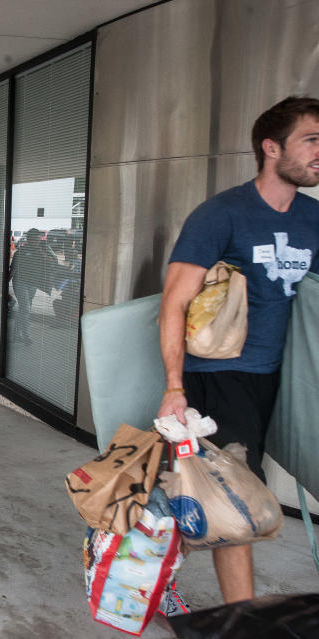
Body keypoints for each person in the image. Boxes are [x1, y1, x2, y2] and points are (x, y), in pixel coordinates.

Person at [157, 96, 319, 605]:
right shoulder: (221, 214)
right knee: (236, 500)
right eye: (312, 141)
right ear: (271, 148)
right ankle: (241, 619)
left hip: (285, 377)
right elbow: (174, 305)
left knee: (210, 492)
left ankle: (150, 562)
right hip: (221, 376)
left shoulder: (313, 218)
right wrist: (175, 388)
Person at [10, 228, 55, 345]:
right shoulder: (20, 252)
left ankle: (16, 335)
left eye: (37, 239)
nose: (34, 241)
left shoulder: (42, 251)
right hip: (20, 282)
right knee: (25, 308)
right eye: (32, 239)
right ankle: (26, 336)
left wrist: (41, 252)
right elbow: (12, 270)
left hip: (33, 283)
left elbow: (51, 262)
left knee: (25, 308)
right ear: (28, 239)